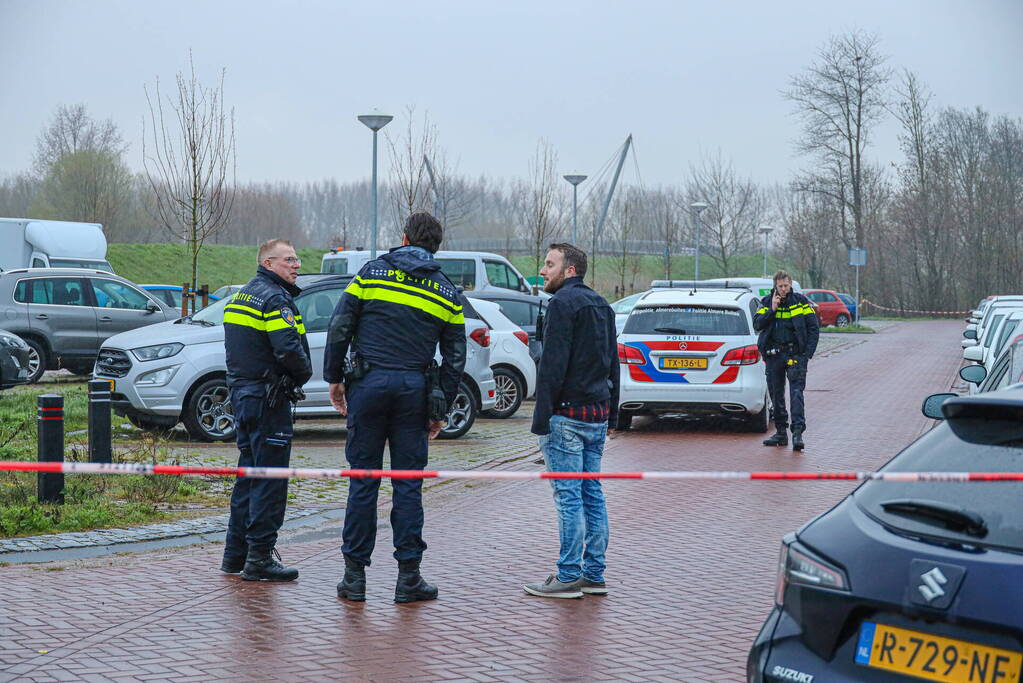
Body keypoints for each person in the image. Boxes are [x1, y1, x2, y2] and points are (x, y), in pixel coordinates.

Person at [323, 212, 466, 603]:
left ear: (403, 238)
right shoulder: (446, 291)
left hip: (368, 386)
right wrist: (441, 408)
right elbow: (455, 356)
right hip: (413, 392)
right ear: (437, 246)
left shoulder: (370, 274)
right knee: (408, 485)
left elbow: (340, 326)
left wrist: (334, 378)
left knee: (363, 481)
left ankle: (354, 579)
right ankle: (409, 579)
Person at [524, 243, 619, 599]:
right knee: (592, 494)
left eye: (550, 264)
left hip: (566, 416)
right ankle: (594, 574)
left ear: (570, 270)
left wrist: (541, 419)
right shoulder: (602, 305)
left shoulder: (561, 305)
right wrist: (614, 413)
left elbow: (552, 365)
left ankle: (567, 575)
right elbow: (614, 361)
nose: (543, 270)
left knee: (568, 497)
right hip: (596, 413)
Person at [221, 239, 312, 581]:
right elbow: (289, 348)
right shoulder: (275, 299)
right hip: (269, 398)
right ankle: (259, 558)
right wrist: (303, 374)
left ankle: (235, 555)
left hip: (244, 396)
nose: (297, 264)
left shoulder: (241, 296)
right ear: (269, 263)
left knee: (247, 476)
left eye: (296, 258)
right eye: (289, 259)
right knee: (270, 480)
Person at [752, 270, 819, 451]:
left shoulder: (801, 302)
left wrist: (807, 354)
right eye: (780, 286)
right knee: (776, 395)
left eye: (786, 285)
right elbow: (757, 325)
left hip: (795, 355)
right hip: (774, 355)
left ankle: (797, 433)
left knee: (796, 394)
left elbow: (813, 328)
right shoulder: (767, 302)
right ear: (775, 286)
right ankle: (781, 433)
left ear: (790, 285)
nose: (783, 289)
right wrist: (772, 309)